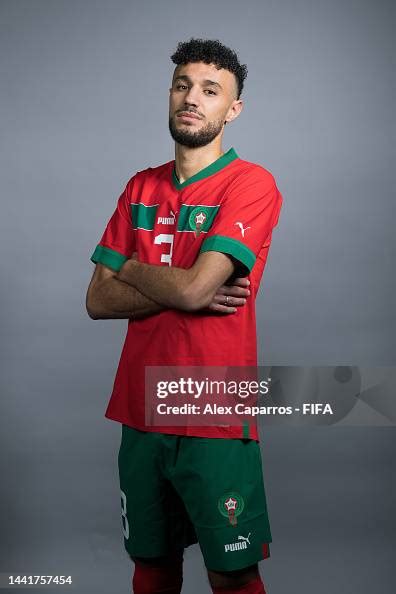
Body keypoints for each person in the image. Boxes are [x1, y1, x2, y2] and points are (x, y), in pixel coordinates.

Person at [86, 38, 283, 594]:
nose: (191, 99)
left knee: (232, 574)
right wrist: (185, 287)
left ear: (233, 109)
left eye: (210, 90)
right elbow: (97, 300)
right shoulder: (140, 187)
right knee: (150, 567)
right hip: (138, 409)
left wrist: (126, 265)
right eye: (182, 86)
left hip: (213, 411)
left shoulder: (251, 184)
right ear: (170, 95)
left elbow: (199, 291)